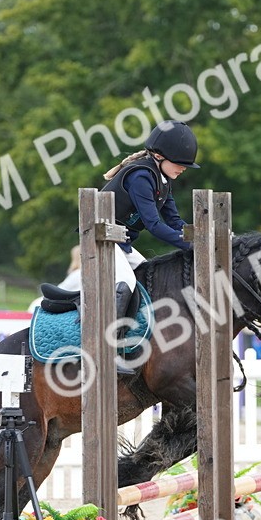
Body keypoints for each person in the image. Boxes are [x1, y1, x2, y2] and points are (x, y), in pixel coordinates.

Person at [99, 120, 199, 372]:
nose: (184, 169)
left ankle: (140, 342)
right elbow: (154, 225)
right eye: (181, 164)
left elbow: (175, 221)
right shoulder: (141, 176)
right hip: (100, 241)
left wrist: (201, 238)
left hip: (121, 242)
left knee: (147, 279)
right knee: (126, 284)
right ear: (158, 156)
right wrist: (191, 246)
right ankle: (109, 350)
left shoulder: (162, 180)